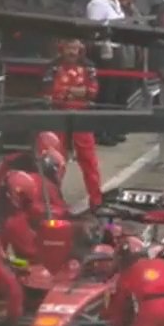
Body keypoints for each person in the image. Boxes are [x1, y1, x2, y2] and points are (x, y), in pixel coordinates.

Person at [44, 38, 103, 208]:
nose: (71, 52)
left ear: (80, 49)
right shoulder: (53, 67)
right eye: (68, 48)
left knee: (89, 160)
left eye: (75, 48)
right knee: (54, 161)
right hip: (58, 117)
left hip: (82, 117)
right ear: (62, 48)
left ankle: (96, 200)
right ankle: (53, 202)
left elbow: (92, 92)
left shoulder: (89, 67)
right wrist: (76, 91)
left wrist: (66, 91)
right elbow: (50, 92)